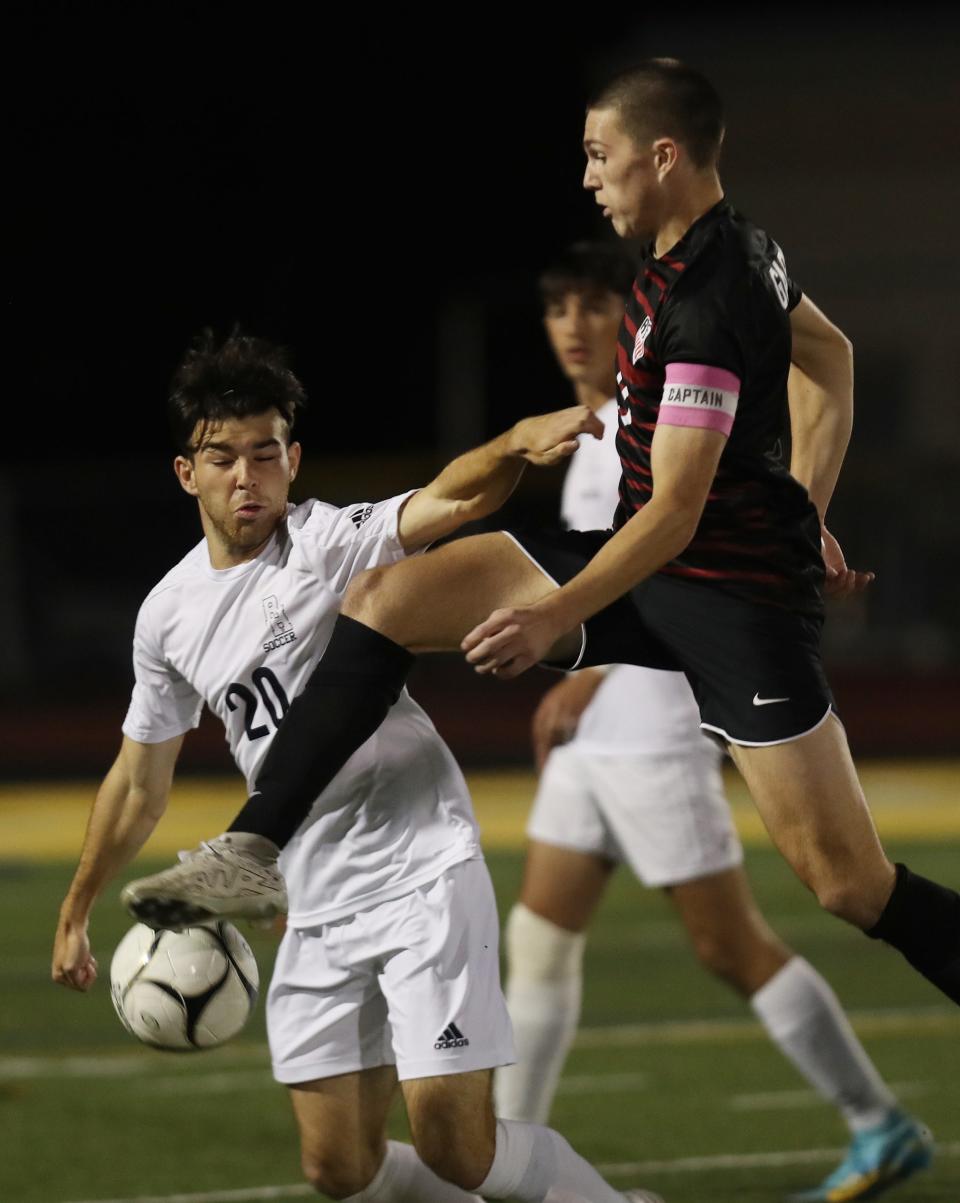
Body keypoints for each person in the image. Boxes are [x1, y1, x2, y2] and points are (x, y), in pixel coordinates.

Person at [122, 58, 960, 1014]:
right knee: (386, 600)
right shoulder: (720, 254)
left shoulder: (708, 299)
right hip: (654, 563)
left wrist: (553, 614)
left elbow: (681, 509)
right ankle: (257, 847)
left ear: (665, 155)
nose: (589, 177)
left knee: (851, 886)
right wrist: (808, 509)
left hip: (736, 600)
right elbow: (832, 358)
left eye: (602, 157)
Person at [51, 330, 666, 1203]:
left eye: (266, 454)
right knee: (339, 1166)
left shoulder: (333, 542)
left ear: (293, 460)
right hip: (308, 897)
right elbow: (137, 780)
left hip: (421, 868)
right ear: (187, 472)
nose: (246, 476)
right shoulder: (167, 615)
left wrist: (512, 445)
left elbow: (452, 501)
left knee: (461, 1147)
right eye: (222, 457)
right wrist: (76, 909)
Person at [492, 242, 933, 1202]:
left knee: (732, 943)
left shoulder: (654, 424)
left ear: (634, 321)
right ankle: (510, 1164)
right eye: (556, 307)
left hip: (652, 722)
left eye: (591, 305)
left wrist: (587, 666)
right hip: (592, 747)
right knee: (538, 939)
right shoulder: (589, 430)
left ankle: (878, 1118)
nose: (571, 325)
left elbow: (679, 564)